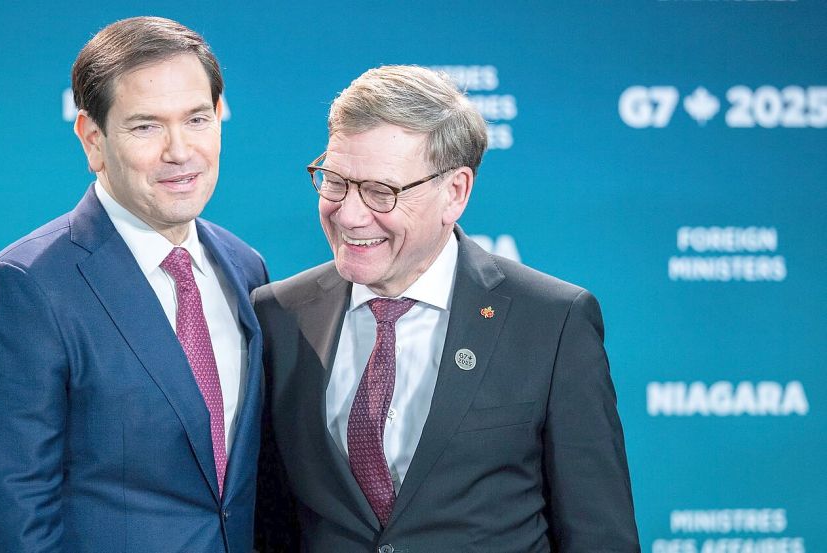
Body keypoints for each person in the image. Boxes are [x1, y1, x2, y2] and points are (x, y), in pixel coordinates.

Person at [253, 65, 639, 552]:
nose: (348, 213)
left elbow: (599, 536)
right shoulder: (280, 315)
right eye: (334, 181)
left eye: (380, 191)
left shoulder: (552, 322)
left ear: (454, 192)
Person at [0, 17, 267, 552]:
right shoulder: (20, 290)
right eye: (146, 126)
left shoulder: (244, 266)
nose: (179, 150)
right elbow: (14, 527)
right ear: (93, 140)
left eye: (196, 119)